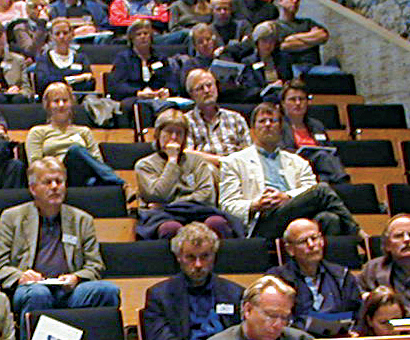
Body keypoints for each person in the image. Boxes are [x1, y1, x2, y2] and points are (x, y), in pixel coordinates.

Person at [0, 156, 120, 324]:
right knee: (39, 294)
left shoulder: (82, 219)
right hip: (31, 288)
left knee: (107, 290)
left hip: (71, 291)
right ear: (33, 188)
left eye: (59, 182)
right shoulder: (12, 217)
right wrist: (20, 275)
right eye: (47, 182)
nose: (54, 187)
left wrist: (76, 278)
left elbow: (95, 265)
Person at [218, 101, 358, 239]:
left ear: (280, 128)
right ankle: (358, 235)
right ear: (253, 130)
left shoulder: (299, 162)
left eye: (272, 121)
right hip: (263, 222)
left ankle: (330, 260)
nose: (267, 125)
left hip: (298, 216)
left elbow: (309, 189)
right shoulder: (233, 162)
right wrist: (256, 204)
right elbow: (228, 206)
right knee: (322, 190)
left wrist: (287, 197)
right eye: (262, 121)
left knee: (330, 219)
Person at [141, 222, 244, 340]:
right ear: (178, 257)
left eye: (205, 256)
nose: (198, 264)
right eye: (191, 257)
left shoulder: (235, 293)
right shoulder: (159, 295)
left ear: (214, 256)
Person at [134, 108, 233, 239]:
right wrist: (172, 161)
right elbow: (158, 195)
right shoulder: (145, 165)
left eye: (179, 133)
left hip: (197, 211)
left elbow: (206, 195)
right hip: (162, 216)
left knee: (217, 223)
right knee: (170, 228)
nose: (174, 137)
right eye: (169, 132)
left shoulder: (197, 162)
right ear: (158, 134)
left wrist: (172, 204)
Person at [272, 217, 362, 335]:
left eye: (314, 238)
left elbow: (358, 314)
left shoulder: (342, 276)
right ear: (290, 249)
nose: (311, 245)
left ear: (322, 241)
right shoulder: (277, 280)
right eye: (303, 241)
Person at [25, 83, 122, 187]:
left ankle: (113, 185)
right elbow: (35, 166)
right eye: (56, 101)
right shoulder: (37, 132)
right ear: (48, 105)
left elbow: (97, 161)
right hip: (55, 177)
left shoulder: (84, 131)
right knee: (75, 150)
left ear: (71, 103)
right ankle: (121, 184)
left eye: (65, 101)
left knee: (93, 180)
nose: (61, 105)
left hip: (82, 176)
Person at [182, 68, 250, 161]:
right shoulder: (185, 121)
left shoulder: (235, 118)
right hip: (204, 172)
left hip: (236, 170)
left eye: (209, 85)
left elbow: (249, 152)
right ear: (191, 94)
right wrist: (221, 161)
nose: (206, 90)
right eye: (200, 88)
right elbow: (188, 155)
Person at [273, 0, 329, 75]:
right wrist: (311, 41)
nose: (295, 1)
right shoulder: (274, 26)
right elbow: (284, 46)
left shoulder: (307, 23)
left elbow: (323, 36)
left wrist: (293, 38)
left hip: (313, 67)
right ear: (281, 1)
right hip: (291, 69)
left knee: (338, 74)